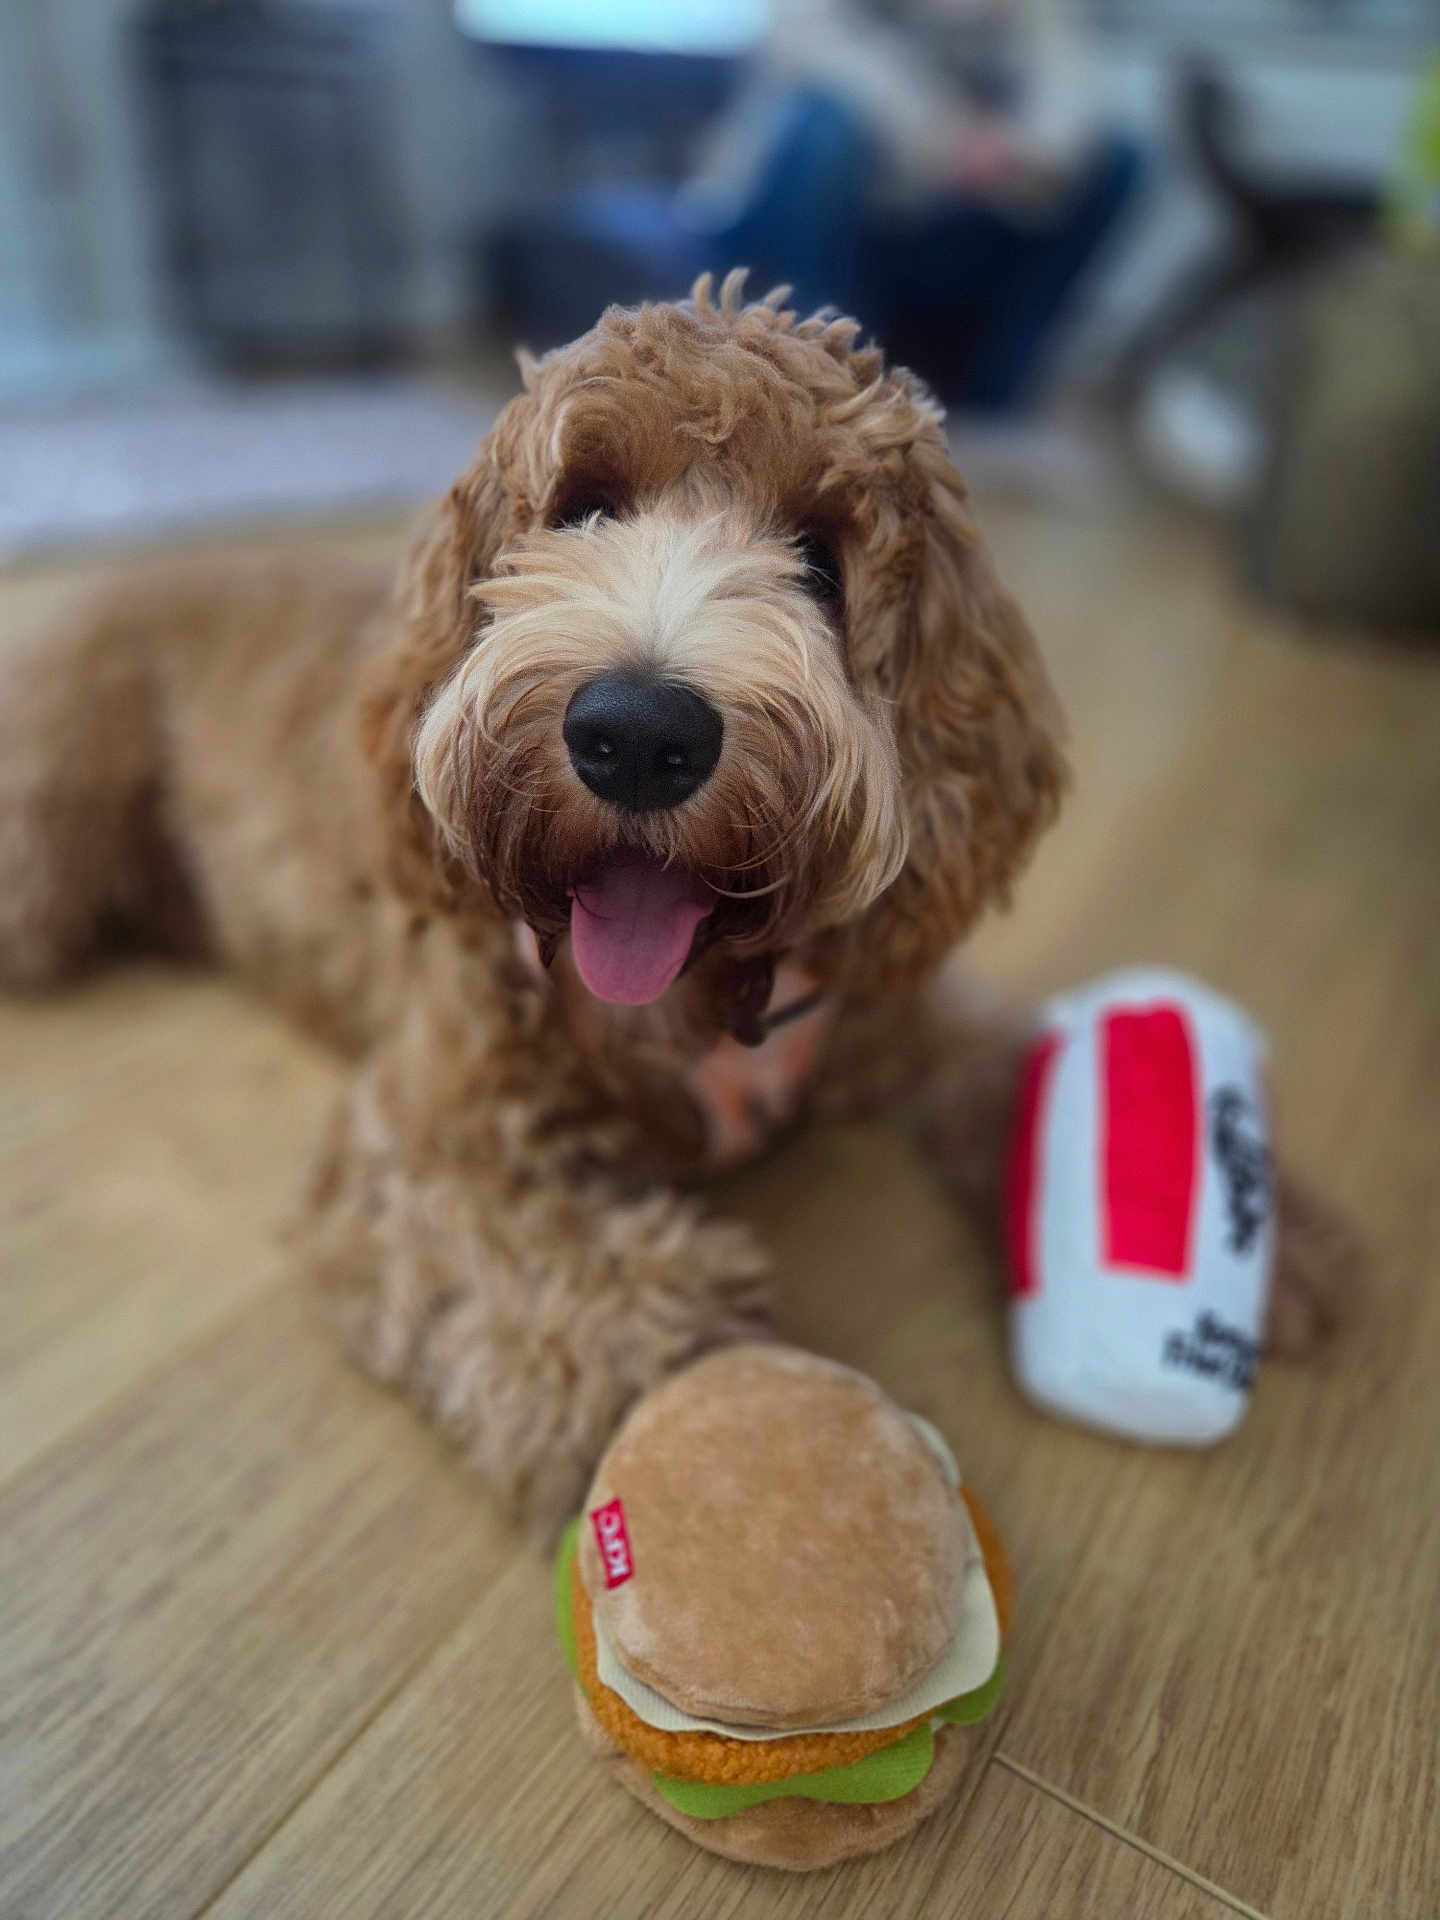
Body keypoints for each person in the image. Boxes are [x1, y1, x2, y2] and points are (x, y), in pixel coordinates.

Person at [683, 0, 1142, 412]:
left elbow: (1071, 93)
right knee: (822, 129)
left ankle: (995, 409)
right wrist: (947, 138)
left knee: (1119, 157)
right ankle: (824, 389)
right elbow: (811, 50)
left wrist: (1018, 151)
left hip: (934, 222)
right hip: (798, 214)